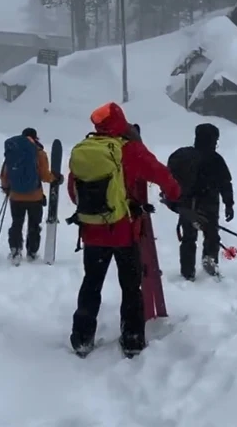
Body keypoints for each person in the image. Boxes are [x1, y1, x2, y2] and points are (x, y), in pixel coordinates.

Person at [66, 104, 181, 357]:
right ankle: (131, 338)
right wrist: (174, 193)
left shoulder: (86, 151)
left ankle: (82, 338)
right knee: (130, 286)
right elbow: (162, 174)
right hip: (124, 232)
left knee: (91, 283)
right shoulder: (131, 150)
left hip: (92, 232)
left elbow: (74, 192)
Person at [166, 123, 234, 280]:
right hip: (209, 204)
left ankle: (187, 273)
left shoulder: (183, 156)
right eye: (215, 140)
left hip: (187, 205)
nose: (216, 143)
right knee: (211, 237)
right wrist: (229, 204)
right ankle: (210, 267)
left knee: (189, 239)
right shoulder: (216, 160)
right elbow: (225, 184)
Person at [0, 127, 62, 263]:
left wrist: (6, 189)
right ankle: (32, 252)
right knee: (34, 224)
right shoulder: (39, 153)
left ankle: (15, 250)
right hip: (35, 196)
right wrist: (55, 178)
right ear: (35, 138)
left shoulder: (13, 152)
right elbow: (45, 175)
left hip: (16, 196)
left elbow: (5, 173)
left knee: (17, 223)